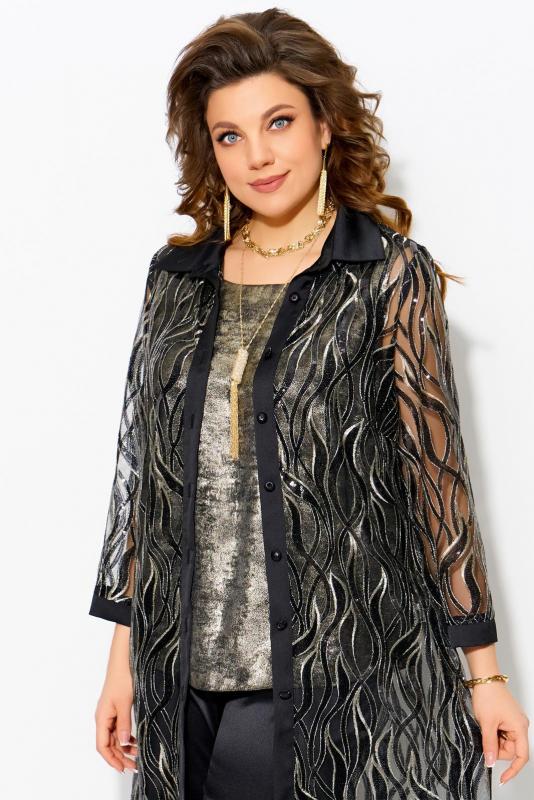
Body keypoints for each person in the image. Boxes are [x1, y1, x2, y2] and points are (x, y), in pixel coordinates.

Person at [88, 8, 529, 800]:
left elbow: (438, 482)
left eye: (279, 122)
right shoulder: (176, 280)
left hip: (344, 675)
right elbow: (147, 484)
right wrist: (121, 663)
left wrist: (484, 675)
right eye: (229, 135)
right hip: (183, 678)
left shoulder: (387, 274)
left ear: (325, 125)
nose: (257, 156)